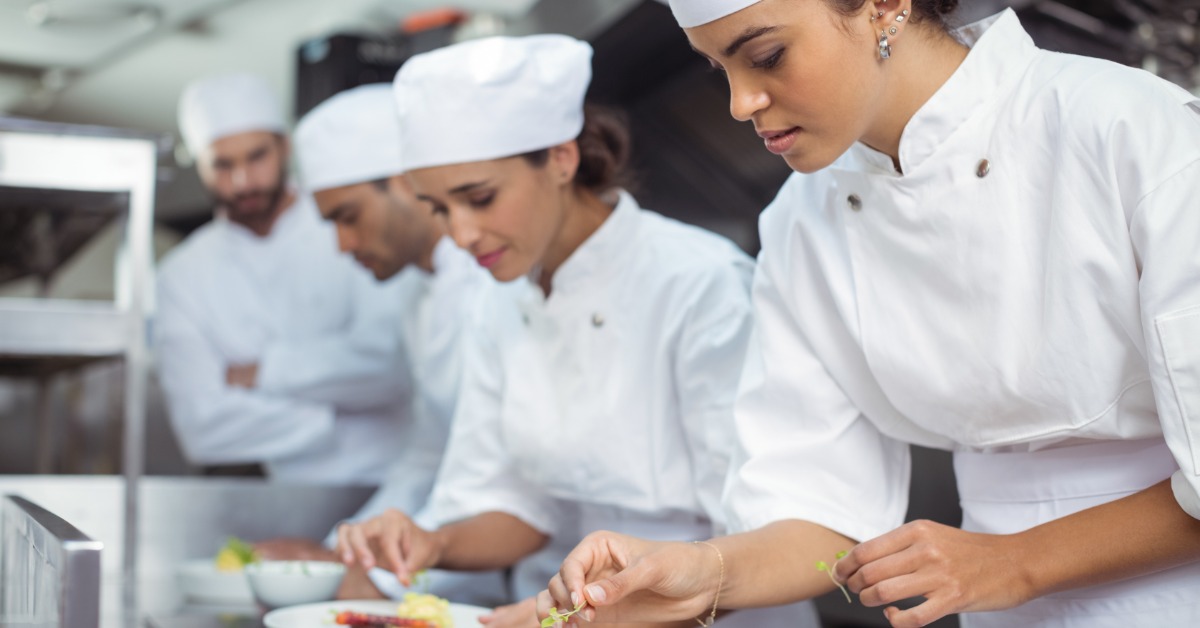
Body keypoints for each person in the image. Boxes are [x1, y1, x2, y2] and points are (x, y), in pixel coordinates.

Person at [538, 1, 1200, 627]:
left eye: (765, 55)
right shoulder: (802, 221)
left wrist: (1016, 558)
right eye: (719, 69)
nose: (741, 104)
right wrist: (698, 575)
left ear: (886, 5)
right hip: (994, 604)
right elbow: (817, 508)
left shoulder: (1128, 129)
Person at [333, 34, 819, 628]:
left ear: (561, 159)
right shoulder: (500, 301)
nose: (460, 234)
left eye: (479, 198)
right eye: (438, 208)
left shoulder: (699, 285)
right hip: (567, 611)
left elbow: (759, 530)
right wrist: (432, 543)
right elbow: (515, 504)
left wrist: (586, 608)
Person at [252, 83, 505, 606]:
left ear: (405, 183)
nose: (343, 245)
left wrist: (375, 577)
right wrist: (337, 557)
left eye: (348, 217)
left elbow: (495, 480)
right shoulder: (417, 296)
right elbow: (427, 456)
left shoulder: (496, 283)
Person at [156, 73, 411, 484]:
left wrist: (263, 375)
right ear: (199, 165)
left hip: (390, 479)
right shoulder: (180, 275)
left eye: (257, 157)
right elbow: (201, 426)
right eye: (222, 164)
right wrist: (342, 419)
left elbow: (389, 366)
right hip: (272, 493)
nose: (242, 181)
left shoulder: (348, 223)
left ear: (284, 147)